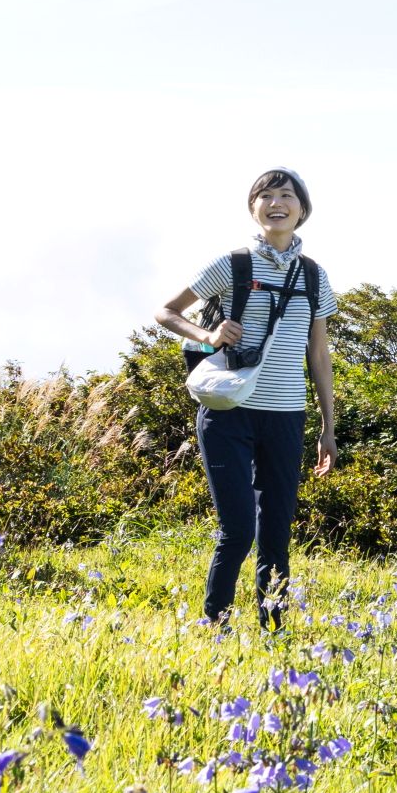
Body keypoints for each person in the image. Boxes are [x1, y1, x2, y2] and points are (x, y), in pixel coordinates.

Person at [153, 168, 338, 628]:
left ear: (303, 209)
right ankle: (216, 624)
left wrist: (328, 427)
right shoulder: (232, 264)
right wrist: (207, 334)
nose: (277, 203)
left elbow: (319, 354)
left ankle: (273, 626)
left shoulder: (314, 276)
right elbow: (166, 311)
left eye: (287, 195)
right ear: (253, 208)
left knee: (276, 530)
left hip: (286, 415)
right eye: (266, 195)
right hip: (228, 410)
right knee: (238, 529)